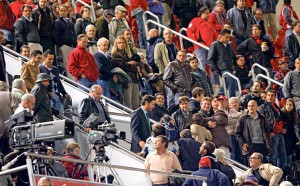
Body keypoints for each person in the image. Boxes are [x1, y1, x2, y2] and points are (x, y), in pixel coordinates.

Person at [258, 90, 286, 169]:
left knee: (282, 155)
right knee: (273, 156)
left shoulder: (277, 107)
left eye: (272, 95)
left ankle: (281, 174)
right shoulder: (262, 107)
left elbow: (283, 120)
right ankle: (272, 174)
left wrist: (284, 128)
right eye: (269, 95)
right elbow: (261, 122)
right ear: (266, 97)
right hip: (272, 134)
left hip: (280, 134)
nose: (270, 97)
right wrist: (269, 132)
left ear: (275, 97)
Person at [111, 36, 140, 109]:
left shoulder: (127, 54)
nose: (121, 44)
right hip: (125, 79)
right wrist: (133, 66)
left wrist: (131, 65)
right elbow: (123, 66)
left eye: (123, 42)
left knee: (135, 103)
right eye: (119, 43)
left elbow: (130, 65)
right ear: (116, 44)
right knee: (128, 103)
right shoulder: (116, 54)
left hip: (133, 78)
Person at [39, 49, 70, 114]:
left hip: (57, 97)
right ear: (44, 58)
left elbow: (59, 82)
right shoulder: (40, 68)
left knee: (61, 116)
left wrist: (64, 93)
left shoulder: (55, 69)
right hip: (47, 98)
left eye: (52, 59)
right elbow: (40, 84)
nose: (51, 61)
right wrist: (47, 93)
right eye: (49, 59)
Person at [208, 29, 237, 96]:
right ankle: (230, 97)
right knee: (232, 80)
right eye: (226, 37)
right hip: (221, 68)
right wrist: (214, 68)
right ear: (221, 36)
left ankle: (221, 94)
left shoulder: (229, 45)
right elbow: (210, 59)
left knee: (233, 82)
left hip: (230, 68)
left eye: (229, 37)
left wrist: (235, 67)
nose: (228, 39)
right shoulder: (215, 44)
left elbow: (233, 57)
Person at [0, 81, 18, 156]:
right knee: (11, 154)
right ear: (6, 87)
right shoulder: (9, 95)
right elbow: (17, 111)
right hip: (10, 129)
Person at [281, 98, 298, 164]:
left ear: (293, 106)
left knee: (290, 153)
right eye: (287, 104)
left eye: (290, 105)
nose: (288, 106)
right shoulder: (282, 113)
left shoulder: (293, 115)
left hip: (291, 137)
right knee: (285, 154)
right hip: (285, 136)